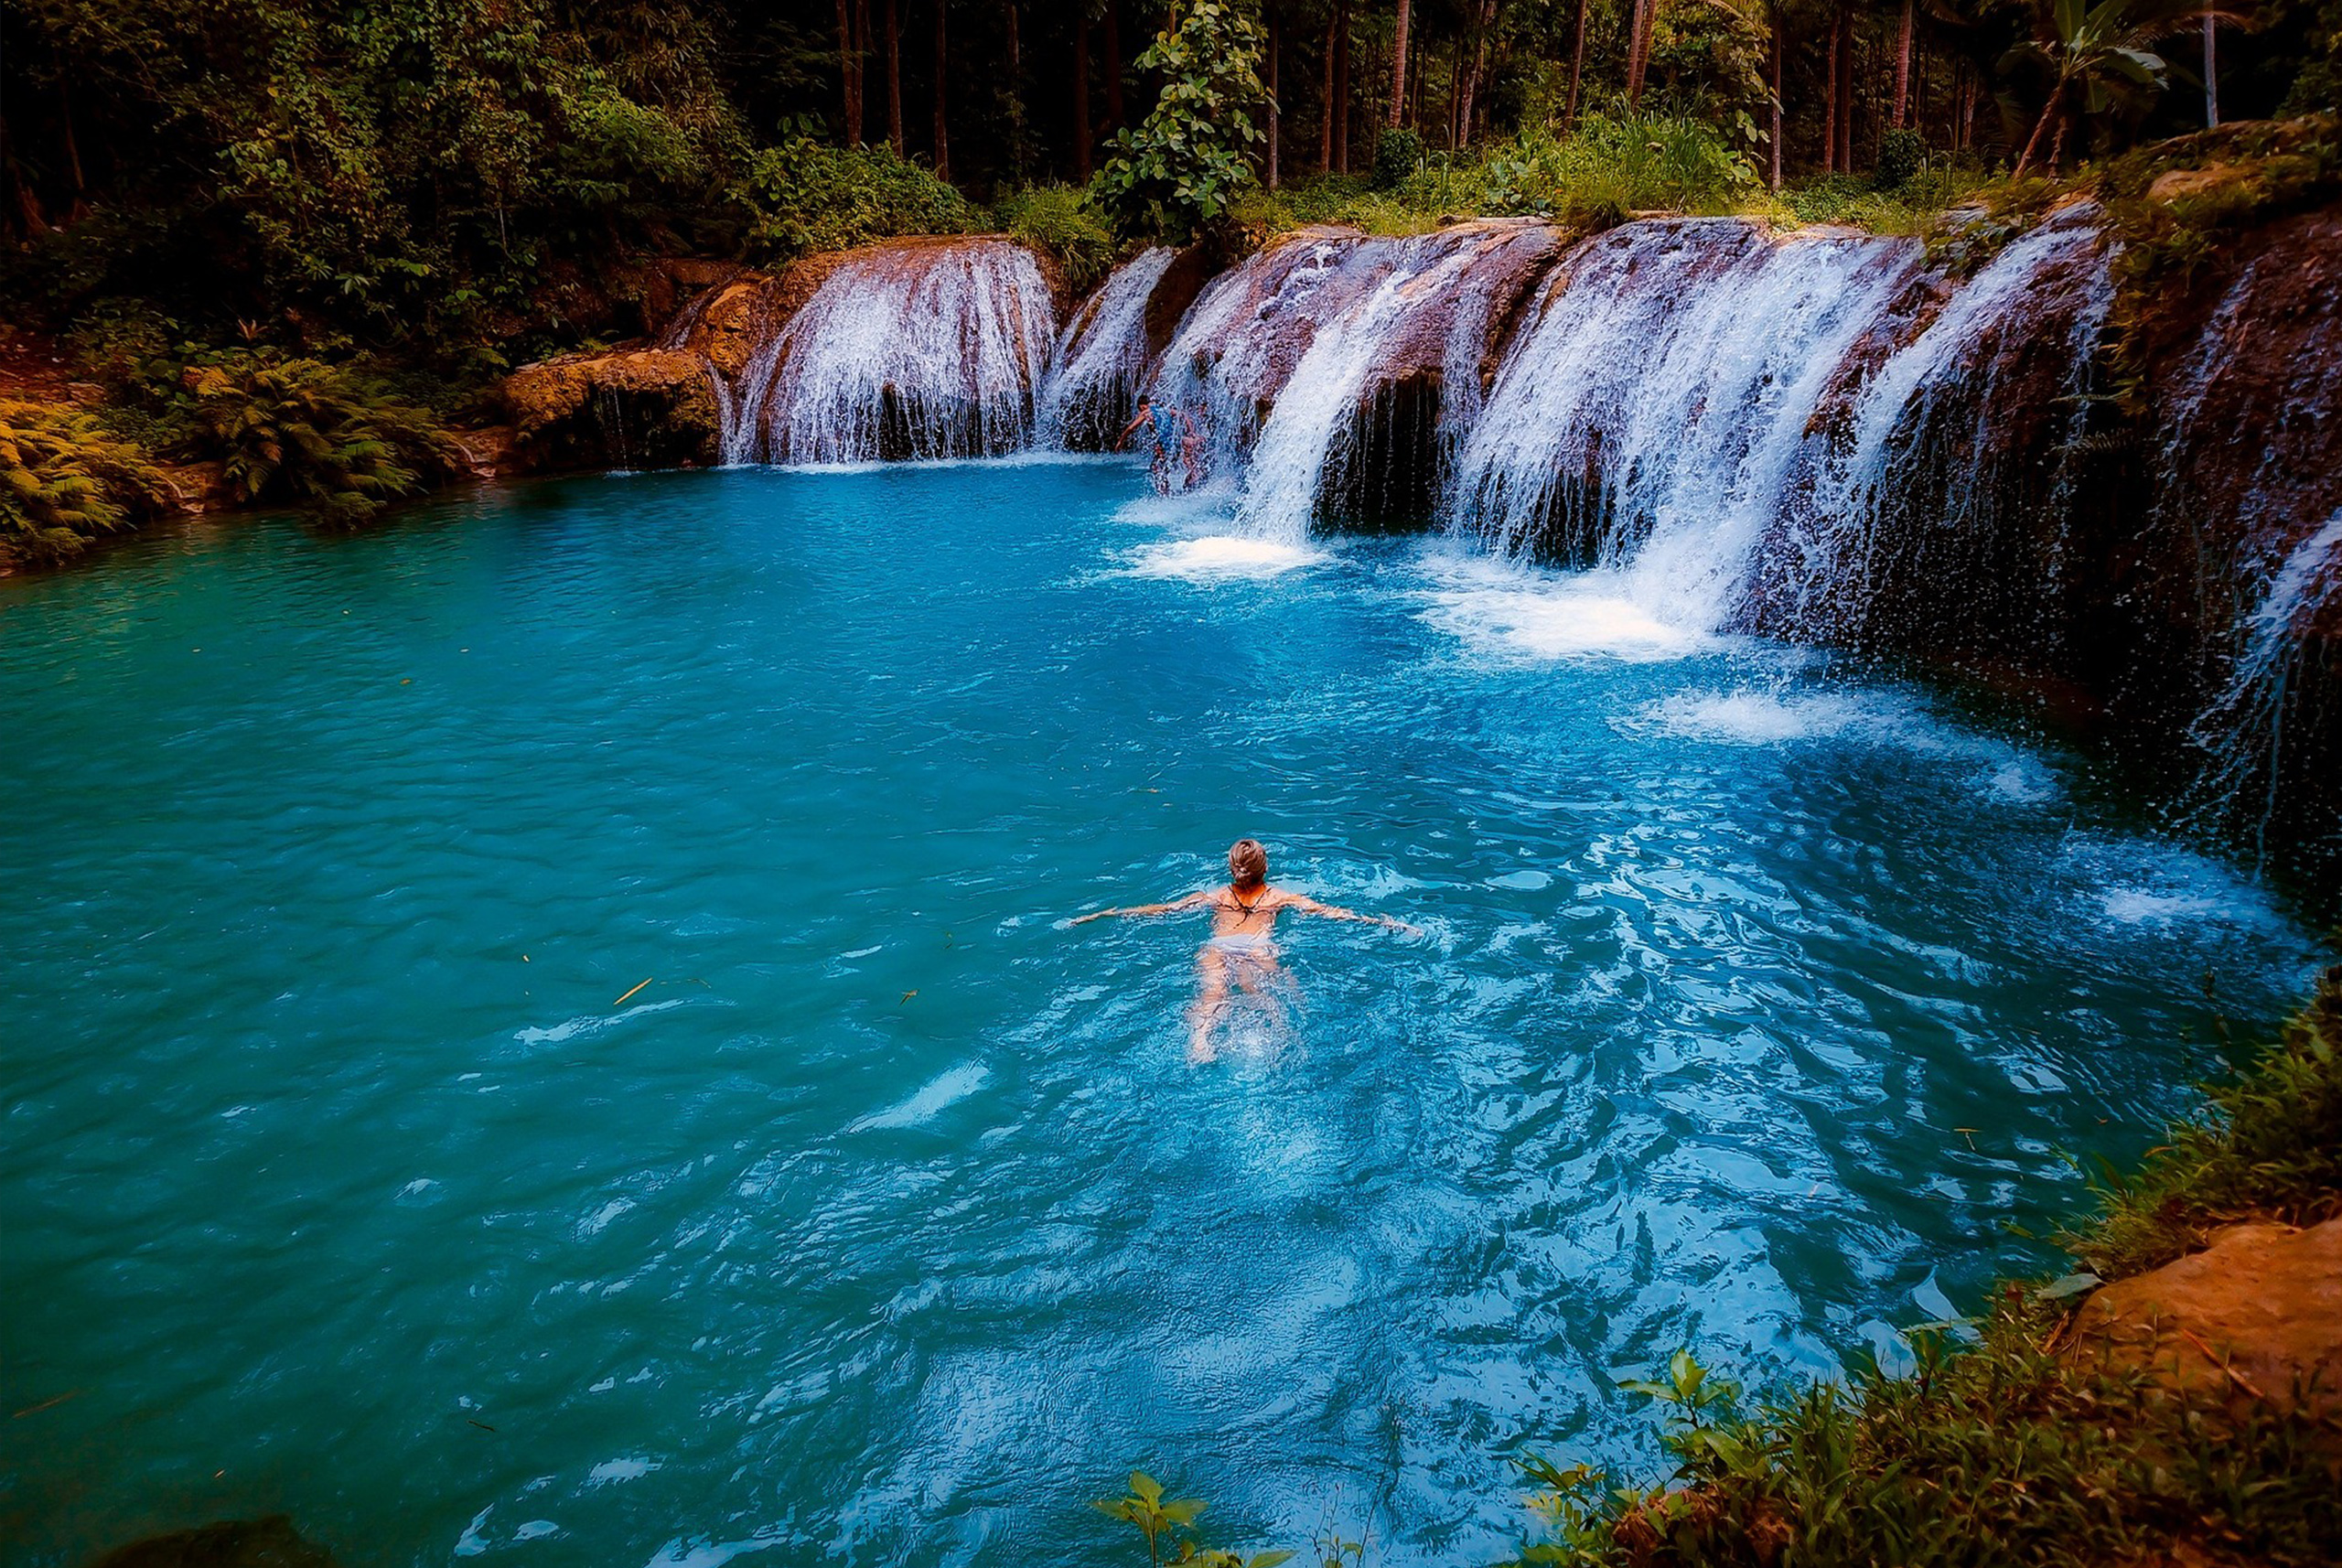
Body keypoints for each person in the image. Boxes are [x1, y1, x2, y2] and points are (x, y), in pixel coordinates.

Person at [1071, 838, 1417, 1063]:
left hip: (1217, 948)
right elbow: (1335, 914)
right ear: (1264, 868)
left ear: (1231, 869)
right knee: (1274, 999)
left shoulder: (1215, 897)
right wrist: (1386, 923)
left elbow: (1162, 910)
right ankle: (1283, 1043)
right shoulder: (1280, 897)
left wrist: (1106, 913)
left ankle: (1201, 1041)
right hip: (1257, 951)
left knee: (1211, 997)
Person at [1116, 394, 1199, 494]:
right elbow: (1184, 415)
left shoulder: (1146, 412)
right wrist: (1191, 432)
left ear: (1142, 406)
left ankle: (1165, 496)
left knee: (1157, 469)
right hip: (1175, 444)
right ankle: (1191, 479)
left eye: (1140, 409)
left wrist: (1121, 441)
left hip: (1165, 445)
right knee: (1164, 468)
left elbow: (1130, 428)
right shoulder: (1165, 410)